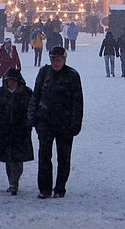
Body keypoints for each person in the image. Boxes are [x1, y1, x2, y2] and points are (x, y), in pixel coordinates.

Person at [27, 46, 83, 199]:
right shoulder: (44, 73)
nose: (56, 62)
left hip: (65, 124)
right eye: (53, 59)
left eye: (58, 59)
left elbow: (77, 102)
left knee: (63, 158)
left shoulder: (72, 76)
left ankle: (60, 188)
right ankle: (44, 189)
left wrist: (76, 124)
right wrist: (32, 117)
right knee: (44, 156)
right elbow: (36, 95)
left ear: (64, 60)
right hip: (45, 122)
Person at [0, 68, 34, 196]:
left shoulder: (27, 93)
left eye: (13, 81)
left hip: (21, 131)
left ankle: (14, 182)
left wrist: (29, 121)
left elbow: (33, 108)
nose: (11, 83)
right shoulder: (0, 93)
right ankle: (12, 182)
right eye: (9, 81)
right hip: (4, 130)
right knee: (8, 159)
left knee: (18, 159)